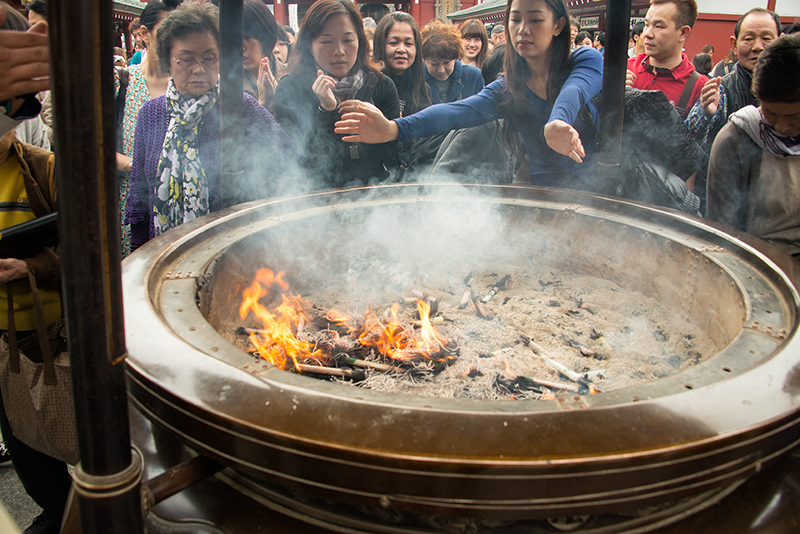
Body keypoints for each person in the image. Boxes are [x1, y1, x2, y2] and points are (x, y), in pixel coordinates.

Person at [335, 0, 603, 189]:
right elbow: (457, 112)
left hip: (595, 188)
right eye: (515, 19)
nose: (523, 29)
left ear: (558, 25)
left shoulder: (584, 60)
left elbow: (574, 89)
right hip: (538, 188)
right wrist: (394, 128)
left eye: (535, 19)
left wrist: (558, 121)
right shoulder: (509, 88)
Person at [126, 2, 297, 249]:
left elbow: (291, 165)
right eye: (186, 59)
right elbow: (140, 198)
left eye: (209, 58)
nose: (198, 69)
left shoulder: (240, 108)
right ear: (168, 60)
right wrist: (138, 253)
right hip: (164, 252)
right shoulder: (151, 115)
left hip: (234, 257)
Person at [0, 124, 71, 534]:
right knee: (17, 434)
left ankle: (70, 510)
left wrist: (31, 267)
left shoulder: (45, 170)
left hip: (47, 331)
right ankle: (53, 509)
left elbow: (86, 243)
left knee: (56, 424)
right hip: (0, 339)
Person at [272, 0, 399, 189]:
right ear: (309, 45)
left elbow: (395, 156)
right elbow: (295, 162)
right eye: (327, 41)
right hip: (314, 199)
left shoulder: (381, 85)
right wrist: (326, 111)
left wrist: (382, 128)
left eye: (348, 40)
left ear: (360, 41)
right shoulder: (291, 89)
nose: (339, 51)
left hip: (372, 199)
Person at [706, 34, 800, 257]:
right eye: (772, 113)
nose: (782, 126)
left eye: (794, 116)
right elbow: (722, 230)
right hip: (756, 260)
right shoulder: (736, 139)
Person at [115, 0, 175, 257]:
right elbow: (96, 144)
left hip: (174, 199)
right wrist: (137, 166)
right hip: (131, 198)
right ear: (143, 34)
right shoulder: (123, 81)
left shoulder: (186, 82)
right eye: (164, 31)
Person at [686, 8, 780, 154]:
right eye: (749, 39)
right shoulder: (722, 89)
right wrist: (705, 113)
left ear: (781, 41)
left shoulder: (791, 91)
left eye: (767, 38)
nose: (757, 47)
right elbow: (688, 140)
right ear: (735, 45)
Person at [626, 0, 707, 119]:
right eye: (647, 25)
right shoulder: (626, 69)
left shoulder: (698, 87)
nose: (647, 34)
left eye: (658, 26)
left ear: (683, 33)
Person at [373, 11, 430, 117]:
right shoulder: (368, 86)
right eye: (393, 43)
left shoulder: (423, 89)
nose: (402, 49)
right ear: (380, 45)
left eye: (408, 44)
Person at [421, 20, 484, 105]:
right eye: (434, 64)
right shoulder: (416, 80)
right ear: (423, 59)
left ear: (456, 57)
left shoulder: (474, 77)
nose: (441, 70)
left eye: (446, 62)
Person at [242, 0, 282, 109]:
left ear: (265, 38)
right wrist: (261, 104)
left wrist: (280, 101)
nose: (241, 47)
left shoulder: (290, 75)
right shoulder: (226, 85)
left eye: (247, 38)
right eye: (235, 39)